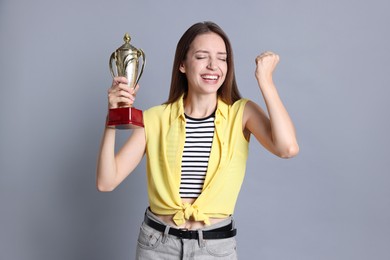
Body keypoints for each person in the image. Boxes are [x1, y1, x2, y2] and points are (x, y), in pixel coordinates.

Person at [97, 21, 299, 259]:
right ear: (182, 64)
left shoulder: (242, 114)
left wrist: (266, 81)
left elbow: (287, 148)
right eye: (202, 56)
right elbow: (106, 182)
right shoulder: (155, 118)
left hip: (215, 248)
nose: (213, 66)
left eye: (222, 58)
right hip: (157, 247)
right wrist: (112, 116)